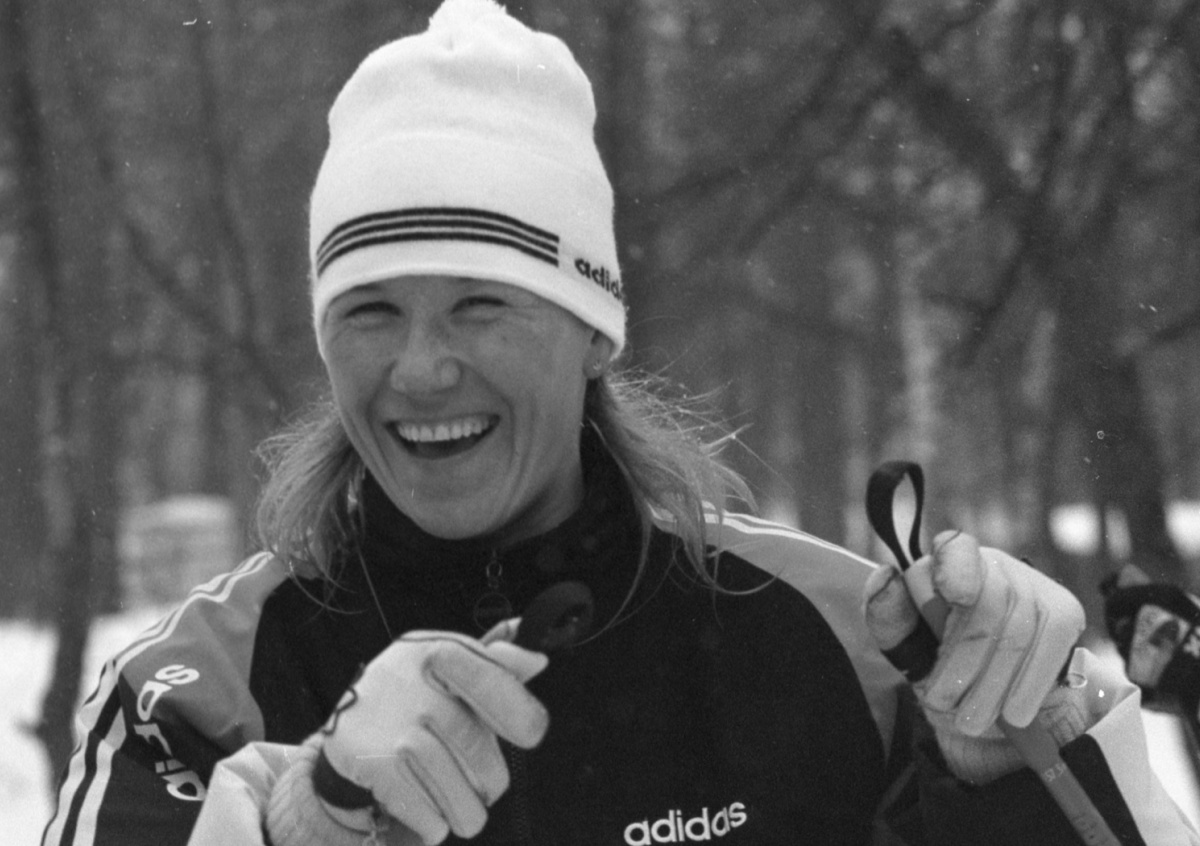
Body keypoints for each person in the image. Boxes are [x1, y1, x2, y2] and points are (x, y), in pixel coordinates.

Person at [40, 1, 1198, 843]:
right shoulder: (198, 689)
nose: (421, 368)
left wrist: (1010, 777)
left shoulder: (838, 642)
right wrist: (311, 818)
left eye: (481, 305)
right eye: (371, 311)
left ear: (595, 332)